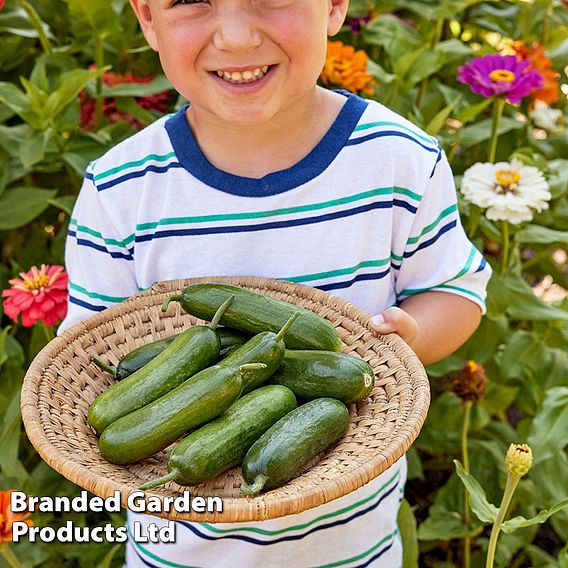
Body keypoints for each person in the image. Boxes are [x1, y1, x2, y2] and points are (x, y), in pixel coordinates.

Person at [59, 0, 492, 566]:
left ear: (335, 6)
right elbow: (96, 354)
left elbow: (456, 291)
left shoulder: (398, 160)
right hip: (177, 550)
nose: (237, 37)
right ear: (146, 18)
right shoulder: (119, 188)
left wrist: (411, 341)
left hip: (351, 545)